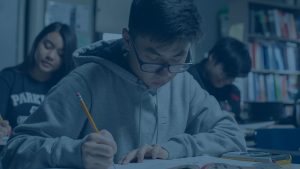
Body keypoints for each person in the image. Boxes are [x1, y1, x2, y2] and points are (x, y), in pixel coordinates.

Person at [2, 1, 246, 169]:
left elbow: (233, 136)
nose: (166, 73)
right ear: (128, 39)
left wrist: (173, 149)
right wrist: (76, 153)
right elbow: (15, 151)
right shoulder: (85, 81)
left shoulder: (184, 82)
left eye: (178, 58)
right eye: (153, 58)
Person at [0, 22, 77, 142]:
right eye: (47, 46)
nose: (51, 56)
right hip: (9, 153)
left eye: (60, 54)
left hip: (44, 157)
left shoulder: (63, 89)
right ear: (37, 43)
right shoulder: (8, 77)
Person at [188, 37, 252, 122]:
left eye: (232, 77)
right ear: (213, 57)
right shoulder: (187, 80)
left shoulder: (233, 92)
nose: (227, 80)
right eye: (226, 72)